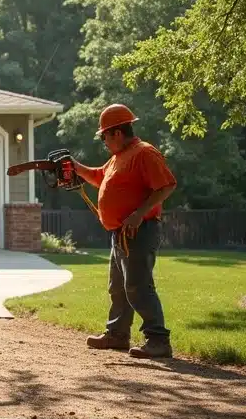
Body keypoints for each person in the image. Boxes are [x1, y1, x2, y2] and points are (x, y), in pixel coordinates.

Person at [72, 104, 177, 359]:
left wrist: (139, 213)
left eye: (103, 136)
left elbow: (167, 185)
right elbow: (98, 177)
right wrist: (74, 166)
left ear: (116, 133)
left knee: (138, 286)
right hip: (119, 234)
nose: (103, 142)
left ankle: (158, 339)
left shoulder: (144, 153)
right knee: (117, 287)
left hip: (139, 232)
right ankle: (117, 335)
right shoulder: (120, 157)